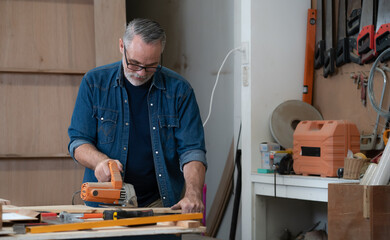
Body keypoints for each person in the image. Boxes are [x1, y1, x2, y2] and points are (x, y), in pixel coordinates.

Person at [68, 18, 207, 213]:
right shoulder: (94, 83)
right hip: (104, 204)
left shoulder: (179, 91)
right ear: (121, 46)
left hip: (160, 203)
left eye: (151, 66)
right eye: (134, 63)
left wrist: (192, 193)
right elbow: (78, 142)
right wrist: (100, 161)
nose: (141, 73)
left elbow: (192, 151)